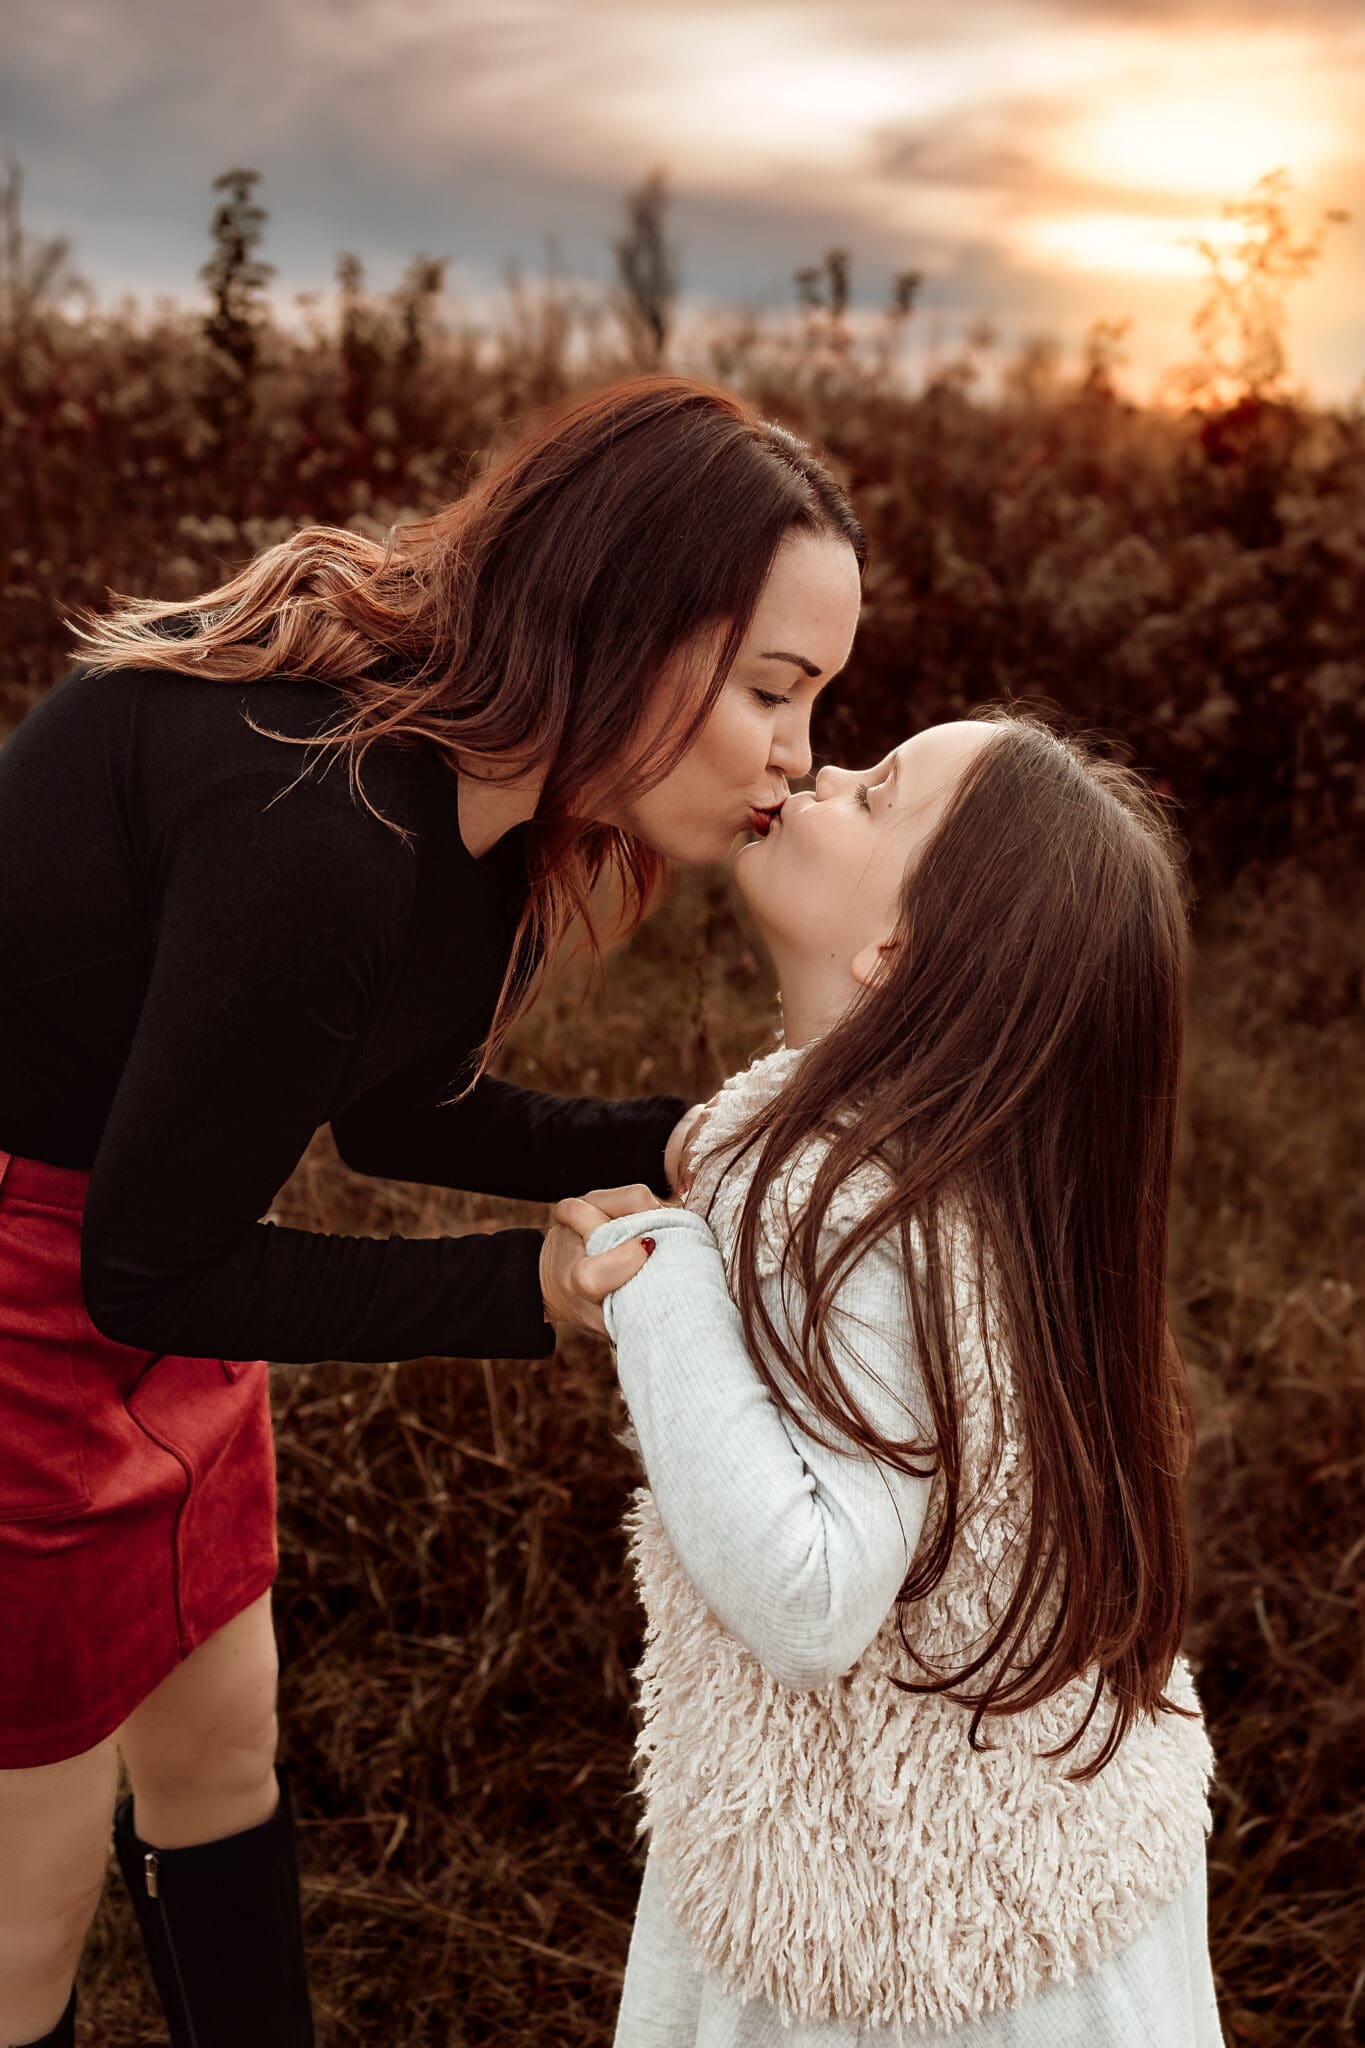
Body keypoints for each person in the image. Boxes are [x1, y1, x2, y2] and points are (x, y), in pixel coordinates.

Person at [0, 374, 864, 2048]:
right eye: (775, 689)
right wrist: (524, 1297)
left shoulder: (472, 814)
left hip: (130, 1250)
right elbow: (155, 1265)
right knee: (29, 1905)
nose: (797, 758)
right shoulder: (310, 822)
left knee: (219, 1747)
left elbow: (395, 1104)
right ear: (631, 624)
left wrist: (693, 1147)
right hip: (28, 1311)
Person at [552, 709, 1227, 2046]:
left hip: (900, 1950)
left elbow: (810, 1597)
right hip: (1049, 1872)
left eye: (871, 794)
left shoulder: (849, 1201)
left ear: (895, 954)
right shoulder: (977, 1172)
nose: (817, 774)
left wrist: (660, 1281)